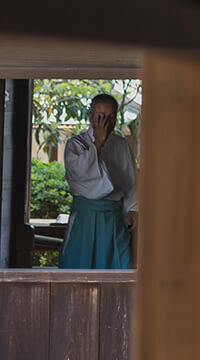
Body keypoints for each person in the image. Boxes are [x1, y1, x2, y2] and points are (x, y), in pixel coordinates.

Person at [59, 92, 139, 269]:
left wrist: (133, 208)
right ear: (91, 116)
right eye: (100, 116)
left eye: (110, 117)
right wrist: (97, 144)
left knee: (118, 265)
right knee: (79, 267)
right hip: (85, 217)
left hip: (113, 217)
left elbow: (131, 181)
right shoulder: (76, 144)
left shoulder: (121, 145)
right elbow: (81, 177)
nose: (106, 122)